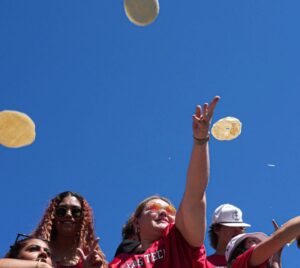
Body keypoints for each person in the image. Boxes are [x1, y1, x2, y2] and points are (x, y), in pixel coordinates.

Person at [109, 96, 220, 268]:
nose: (163, 212)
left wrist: (200, 140)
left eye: (169, 210)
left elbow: (195, 193)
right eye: (153, 208)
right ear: (137, 223)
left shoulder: (179, 240)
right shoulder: (118, 263)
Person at [31, 191, 107, 268]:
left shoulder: (91, 257)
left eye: (76, 211)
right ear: (52, 216)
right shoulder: (35, 249)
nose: (68, 214)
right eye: (61, 211)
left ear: (83, 218)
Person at [225, 215, 300, 268]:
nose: (260, 244)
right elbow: (278, 238)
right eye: (252, 241)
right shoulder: (238, 264)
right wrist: (282, 236)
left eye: (260, 242)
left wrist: (275, 261)